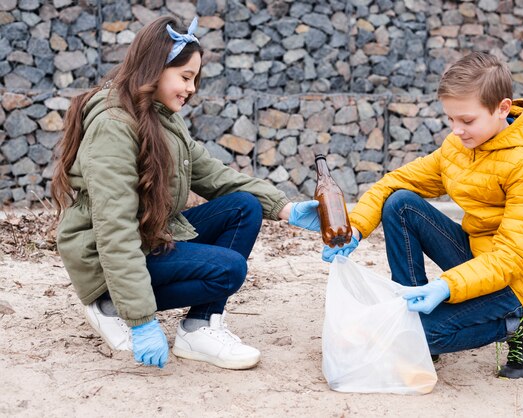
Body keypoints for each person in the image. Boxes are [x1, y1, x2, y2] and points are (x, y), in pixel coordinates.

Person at [51, 16, 321, 370]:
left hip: (146, 236)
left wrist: (286, 208)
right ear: (155, 69)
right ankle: (111, 306)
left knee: (244, 207)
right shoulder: (113, 128)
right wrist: (142, 320)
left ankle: (199, 328)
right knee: (228, 270)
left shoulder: (160, 115)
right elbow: (114, 229)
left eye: (194, 79)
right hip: (104, 261)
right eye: (185, 77)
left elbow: (210, 172)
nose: (192, 88)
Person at [322, 51, 523, 379]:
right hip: (479, 258)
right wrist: (356, 228)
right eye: (450, 119)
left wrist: (446, 286)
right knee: (401, 203)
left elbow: (511, 258)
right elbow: (394, 183)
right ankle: (412, 306)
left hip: (521, 280)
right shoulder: (459, 146)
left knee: (415, 337)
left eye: (467, 120)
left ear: (503, 109)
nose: (456, 130)